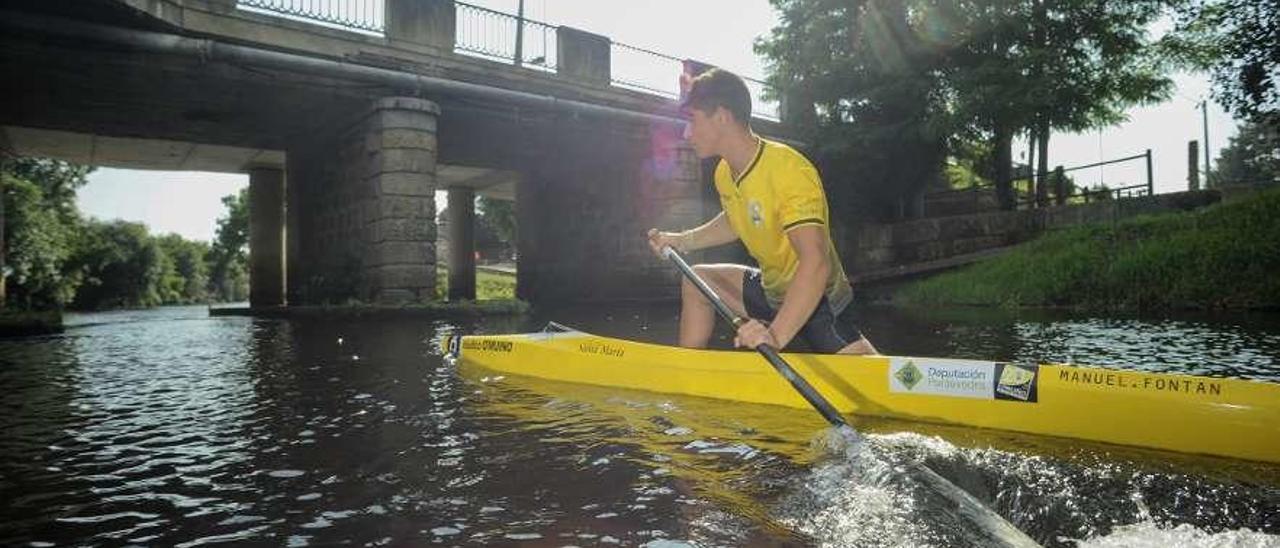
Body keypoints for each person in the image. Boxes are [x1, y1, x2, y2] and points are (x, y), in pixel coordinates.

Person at [647, 68, 877, 355]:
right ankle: (688, 371)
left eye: (692, 119)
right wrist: (681, 240)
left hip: (818, 300)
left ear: (721, 116)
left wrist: (774, 337)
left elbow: (816, 263)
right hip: (772, 290)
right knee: (697, 280)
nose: (686, 133)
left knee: (877, 385)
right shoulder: (724, 172)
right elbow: (736, 220)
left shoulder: (788, 169)